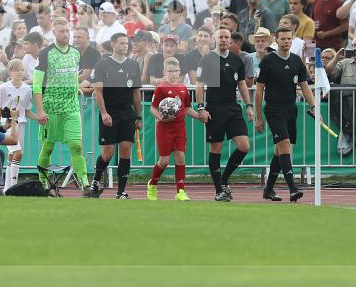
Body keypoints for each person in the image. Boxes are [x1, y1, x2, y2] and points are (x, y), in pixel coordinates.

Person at [254, 25, 316, 202]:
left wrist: (313, 106)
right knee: (285, 144)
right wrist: (259, 117)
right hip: (274, 109)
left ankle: (269, 189)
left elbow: (304, 87)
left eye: (289, 38)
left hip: (291, 109)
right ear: (276, 39)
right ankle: (293, 188)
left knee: (280, 150)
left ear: (292, 38)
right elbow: (259, 91)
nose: (286, 42)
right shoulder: (267, 61)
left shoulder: (297, 61)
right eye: (283, 39)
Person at [33, 17, 93, 196]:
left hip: (71, 108)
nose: (65, 34)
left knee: (76, 146)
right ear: (54, 33)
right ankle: (43, 182)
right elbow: (37, 84)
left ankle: (85, 184)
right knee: (48, 147)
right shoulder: (46, 53)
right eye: (61, 31)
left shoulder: (76, 53)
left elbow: (74, 78)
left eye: (67, 31)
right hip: (51, 109)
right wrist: (40, 110)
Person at [196, 28, 254, 201]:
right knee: (216, 149)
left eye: (226, 37)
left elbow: (242, 84)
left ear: (231, 41)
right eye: (220, 37)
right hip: (214, 107)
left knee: (244, 146)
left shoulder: (236, 60)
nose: (223, 40)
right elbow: (199, 84)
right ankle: (219, 190)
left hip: (233, 107)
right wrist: (201, 108)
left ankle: (224, 179)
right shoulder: (207, 59)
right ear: (215, 39)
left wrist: (249, 106)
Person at [88, 33, 142, 199]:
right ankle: (96, 181)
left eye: (126, 43)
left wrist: (138, 117)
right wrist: (104, 113)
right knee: (108, 154)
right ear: (113, 44)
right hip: (109, 112)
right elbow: (98, 91)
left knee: (126, 151)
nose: (125, 46)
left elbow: (136, 93)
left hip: (127, 113)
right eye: (121, 43)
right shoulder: (102, 64)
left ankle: (121, 191)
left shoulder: (133, 65)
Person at [147, 57, 205, 200]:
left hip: (179, 128)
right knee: (164, 161)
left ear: (180, 72)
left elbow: (186, 108)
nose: (173, 74)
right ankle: (152, 184)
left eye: (176, 71)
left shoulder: (183, 88)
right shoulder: (160, 88)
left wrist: (199, 116)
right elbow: (153, 108)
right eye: (170, 71)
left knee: (180, 157)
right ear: (164, 72)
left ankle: (180, 192)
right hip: (164, 128)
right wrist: (160, 117)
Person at [0, 58, 35, 192]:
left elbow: (26, 110)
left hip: (20, 123)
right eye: (17, 70)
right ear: (10, 72)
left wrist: (38, 118)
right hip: (7, 125)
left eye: (22, 69)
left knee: (12, 156)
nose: (20, 72)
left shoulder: (27, 89)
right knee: (18, 153)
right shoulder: (3, 87)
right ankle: (14, 188)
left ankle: (7, 189)